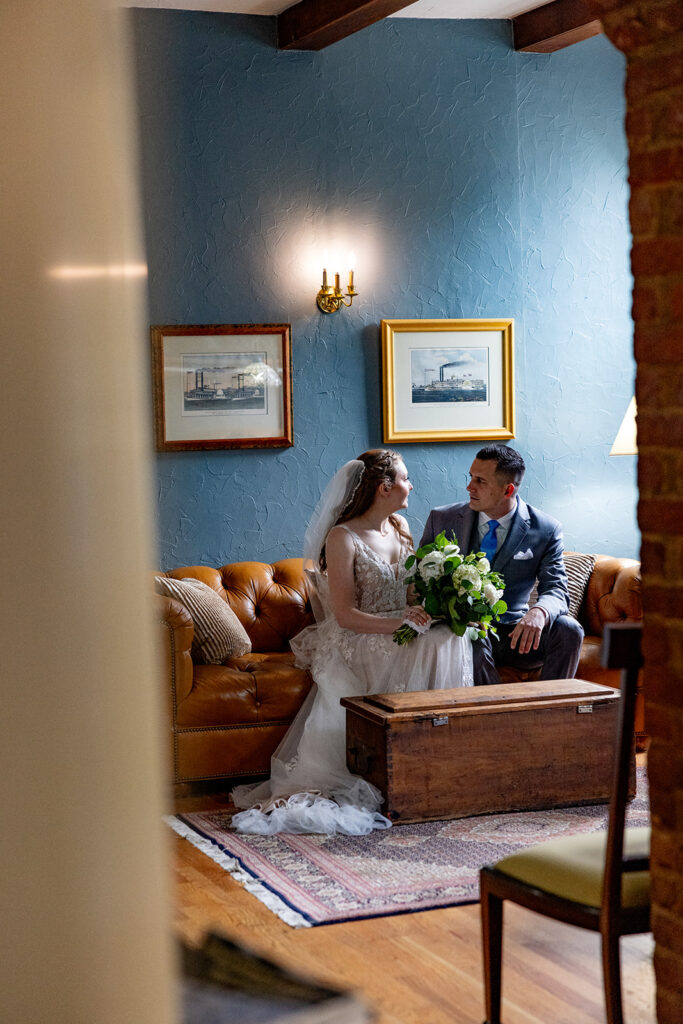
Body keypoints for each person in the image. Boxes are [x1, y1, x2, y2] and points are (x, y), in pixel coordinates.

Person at [231, 449, 473, 836]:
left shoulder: (400, 527)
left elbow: (408, 595)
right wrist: (398, 623)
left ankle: (438, 757)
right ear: (384, 487)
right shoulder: (342, 538)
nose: (412, 484)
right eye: (406, 478)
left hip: (400, 628)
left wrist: (433, 607)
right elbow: (345, 616)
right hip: (357, 637)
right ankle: (410, 758)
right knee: (427, 644)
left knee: (450, 636)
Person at [420, 444, 583, 686]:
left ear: (507, 489)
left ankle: (551, 712)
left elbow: (557, 589)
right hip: (464, 631)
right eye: (471, 477)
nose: (469, 487)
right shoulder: (442, 519)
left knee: (569, 629)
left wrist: (539, 612)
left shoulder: (546, 528)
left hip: (516, 634)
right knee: (469, 637)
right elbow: (421, 580)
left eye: (480, 481)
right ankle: (494, 716)